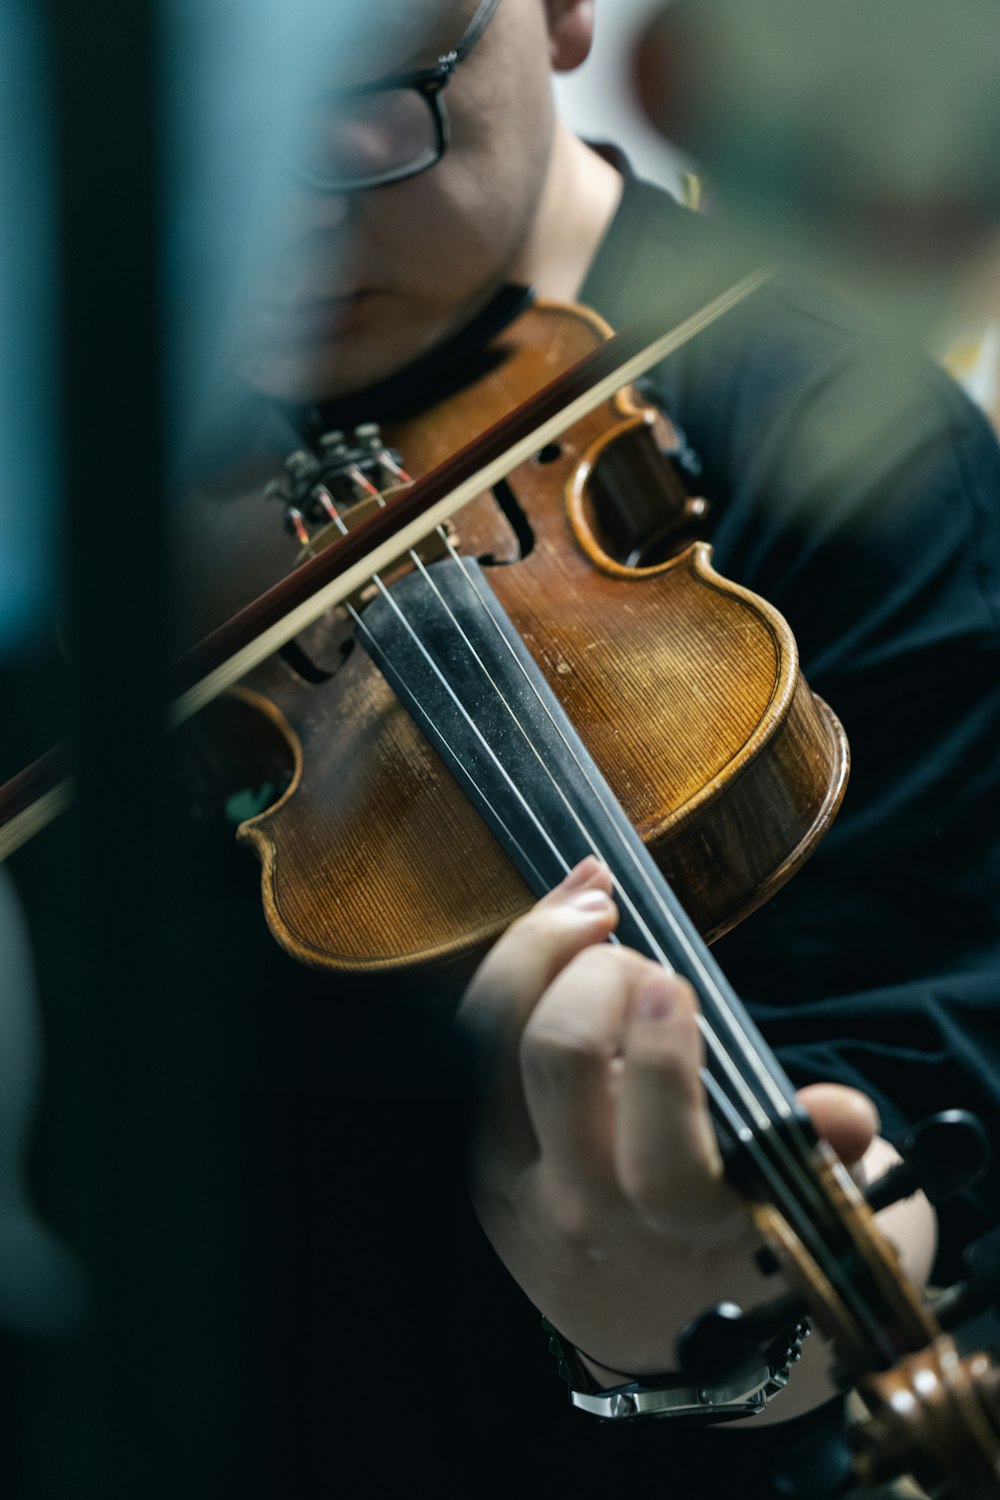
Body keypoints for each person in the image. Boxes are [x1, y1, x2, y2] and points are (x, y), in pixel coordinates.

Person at [16, 1, 1000, 1494]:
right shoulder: (66, 430)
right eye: (212, 156)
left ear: (552, 14)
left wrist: (707, 1324)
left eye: (372, 115)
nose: (274, 249)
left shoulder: (834, 435)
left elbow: (928, 1055)